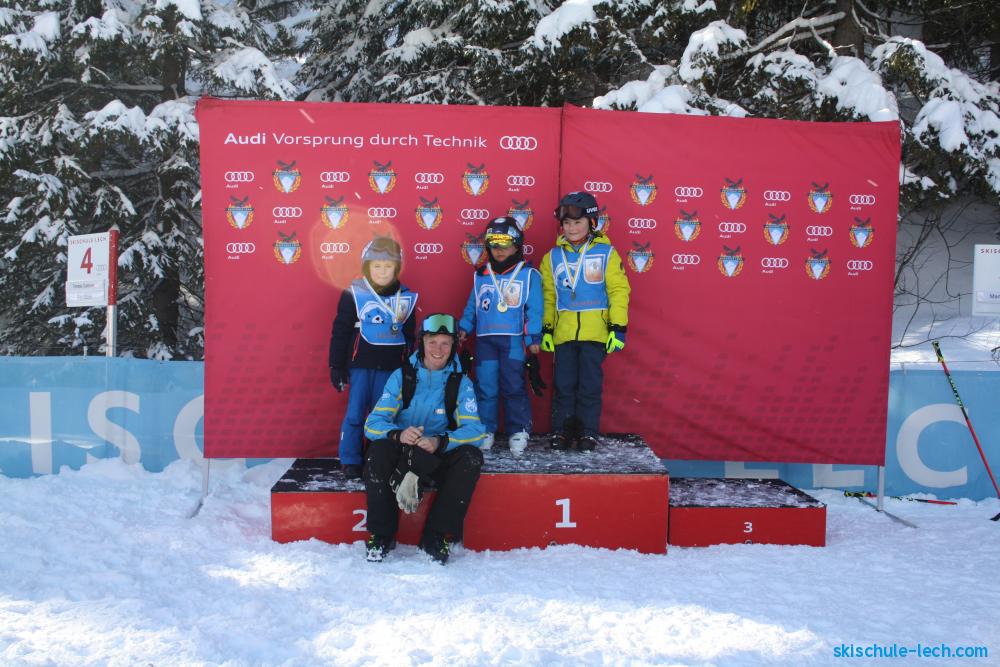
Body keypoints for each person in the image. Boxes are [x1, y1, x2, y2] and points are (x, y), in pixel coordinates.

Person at [362, 313, 486, 564]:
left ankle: (436, 536)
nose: (438, 350)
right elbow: (372, 424)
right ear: (422, 343)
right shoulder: (402, 376)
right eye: (432, 342)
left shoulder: (460, 382)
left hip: (435, 456)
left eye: (445, 343)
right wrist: (399, 434)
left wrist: (440, 441)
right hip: (403, 453)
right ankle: (381, 535)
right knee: (378, 450)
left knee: (471, 457)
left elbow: (475, 431)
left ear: (453, 346)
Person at [540, 191, 631, 451]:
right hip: (564, 334)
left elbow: (618, 291)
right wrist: (546, 329)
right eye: (567, 223)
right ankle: (561, 431)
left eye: (577, 222)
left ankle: (587, 433)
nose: (571, 228)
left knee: (589, 386)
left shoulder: (606, 253)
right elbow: (548, 297)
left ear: (591, 223)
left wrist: (618, 328)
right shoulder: (552, 257)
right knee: (564, 386)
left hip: (595, 333)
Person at [328, 237, 417, 479]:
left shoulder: (405, 296)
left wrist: (409, 368)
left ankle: (377, 458)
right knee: (355, 414)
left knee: (385, 415)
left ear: (396, 268)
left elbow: (410, 337)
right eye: (377, 266)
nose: (382, 271)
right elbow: (340, 331)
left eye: (388, 266)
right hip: (361, 366)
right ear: (367, 267)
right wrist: (336, 366)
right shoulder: (353, 293)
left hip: (391, 368)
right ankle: (350, 459)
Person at [458, 216, 542, 455]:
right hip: (486, 341)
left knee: (513, 385)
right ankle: (486, 429)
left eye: (505, 243)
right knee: (486, 386)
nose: (499, 249)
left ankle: (519, 429)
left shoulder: (528, 274)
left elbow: (535, 309)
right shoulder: (481, 275)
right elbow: (473, 307)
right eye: (494, 244)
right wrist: (464, 328)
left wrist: (533, 338)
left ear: (517, 245)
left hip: (513, 341)